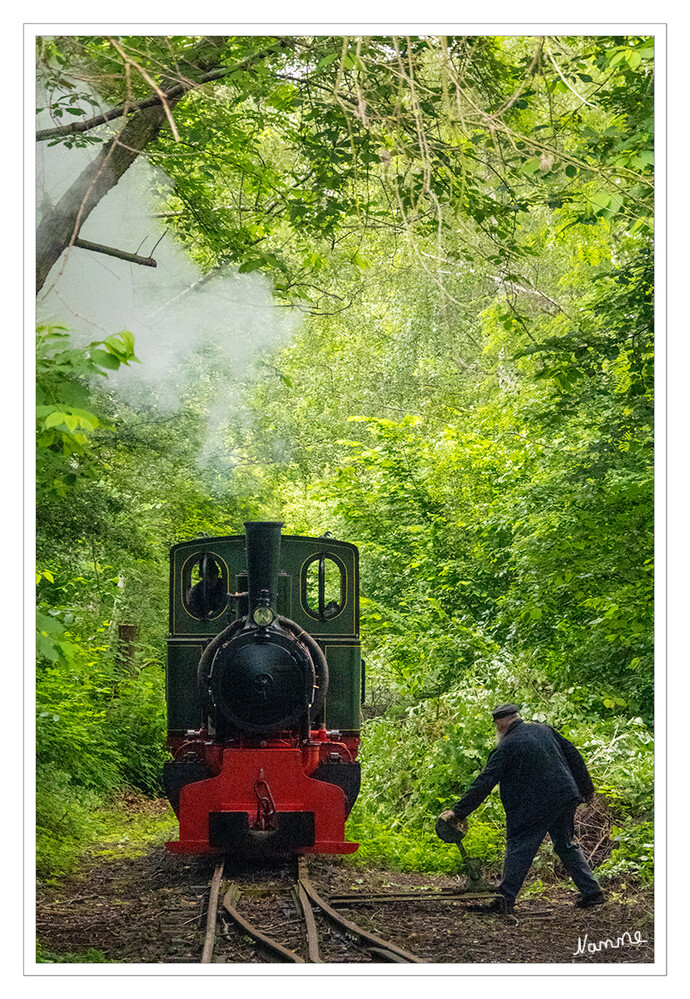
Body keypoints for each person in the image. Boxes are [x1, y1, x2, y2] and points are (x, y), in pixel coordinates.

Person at [439, 703, 605, 913]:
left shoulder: (506, 746)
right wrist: (587, 789)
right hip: (566, 795)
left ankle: (505, 899)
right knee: (565, 843)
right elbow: (573, 754)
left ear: (499, 724)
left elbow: (485, 781)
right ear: (516, 717)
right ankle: (593, 892)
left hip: (537, 803)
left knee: (519, 845)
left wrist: (459, 812)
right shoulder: (544, 729)